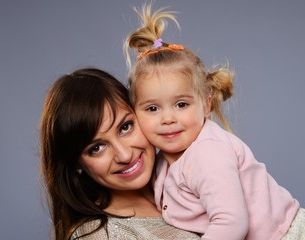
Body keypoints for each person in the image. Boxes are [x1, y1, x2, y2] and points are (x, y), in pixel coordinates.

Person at [123, 3, 305, 240]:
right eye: (152, 108)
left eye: (181, 104)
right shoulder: (161, 163)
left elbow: (232, 223)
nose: (168, 119)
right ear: (135, 113)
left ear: (206, 106)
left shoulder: (207, 153)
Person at [40, 68, 201, 240]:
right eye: (96, 148)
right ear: (77, 163)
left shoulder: (187, 175)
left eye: (125, 127)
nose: (124, 155)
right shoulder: (101, 236)